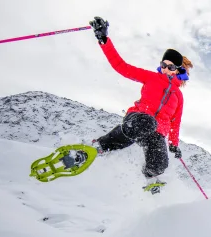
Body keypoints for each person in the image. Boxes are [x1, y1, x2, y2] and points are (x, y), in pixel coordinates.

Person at [81, 16, 192, 194]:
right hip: (138, 119)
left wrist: (173, 144)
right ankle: (101, 146)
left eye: (172, 67)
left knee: (160, 164)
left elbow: (175, 122)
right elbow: (121, 66)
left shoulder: (178, 95)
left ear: (178, 71)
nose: (166, 69)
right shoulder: (151, 77)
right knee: (147, 122)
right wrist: (104, 41)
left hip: (155, 132)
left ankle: (149, 177)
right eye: (164, 65)